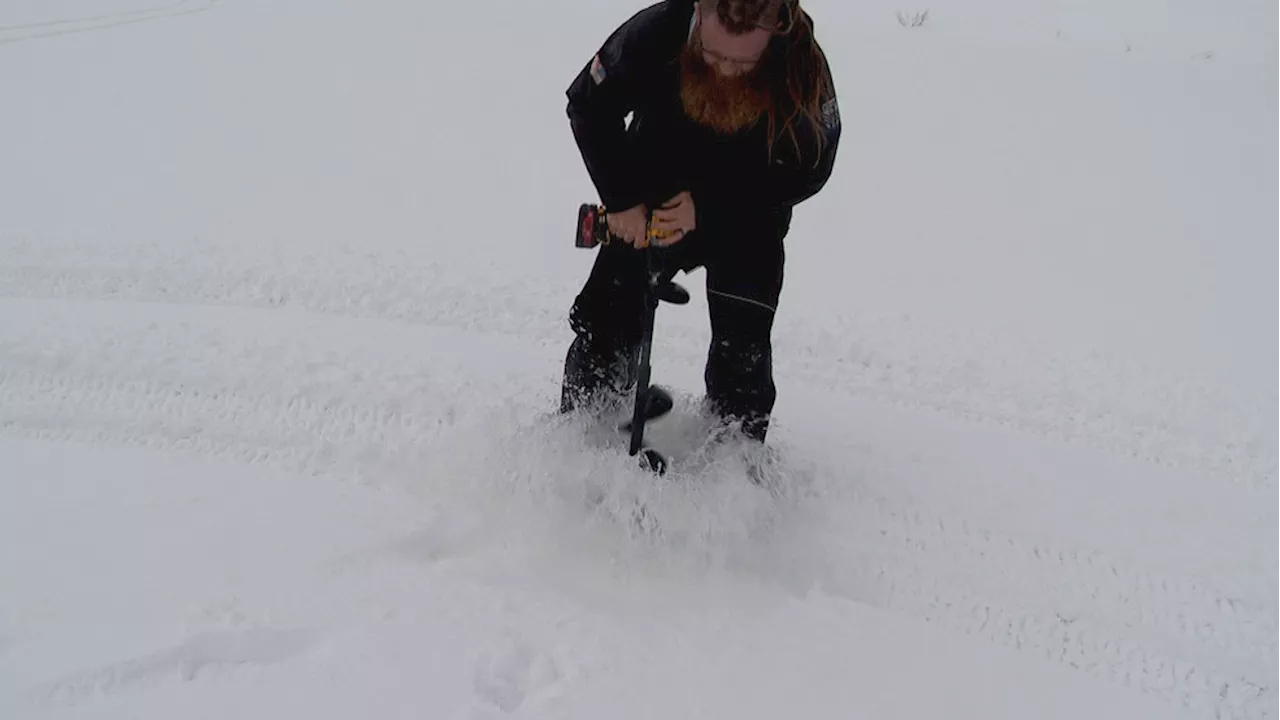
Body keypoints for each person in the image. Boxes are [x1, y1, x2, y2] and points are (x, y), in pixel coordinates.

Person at [560, 0, 841, 445]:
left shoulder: (801, 63)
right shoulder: (658, 31)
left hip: (751, 216)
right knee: (605, 328)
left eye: (742, 61)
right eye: (713, 56)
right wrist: (622, 200)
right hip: (653, 197)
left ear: (775, 32)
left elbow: (810, 167)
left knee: (743, 358)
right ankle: (578, 439)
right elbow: (588, 105)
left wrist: (709, 209)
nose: (727, 71)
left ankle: (732, 467)